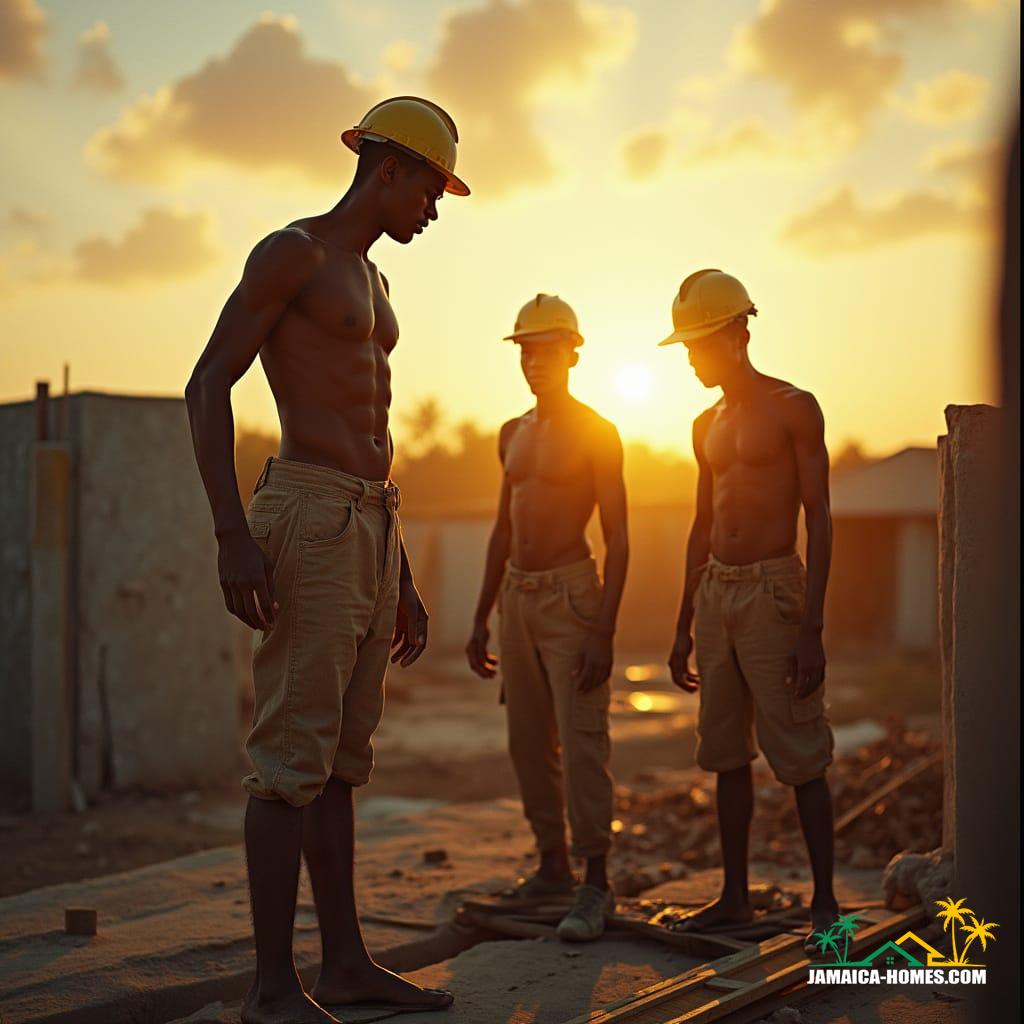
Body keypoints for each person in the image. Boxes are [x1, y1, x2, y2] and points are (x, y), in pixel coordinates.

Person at [185, 97, 469, 1024]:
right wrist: (233, 530)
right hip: (304, 512)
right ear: (387, 170)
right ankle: (273, 991)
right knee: (288, 762)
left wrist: (406, 572)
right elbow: (207, 385)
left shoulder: (378, 287)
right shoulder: (294, 253)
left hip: (369, 524)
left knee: (344, 761)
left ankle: (345, 964)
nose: (434, 209)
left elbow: (376, 432)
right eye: (431, 188)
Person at [661, 270, 838, 953]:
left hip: (772, 591)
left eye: (700, 344)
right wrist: (682, 622)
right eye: (686, 348)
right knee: (725, 751)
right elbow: (700, 523)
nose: (692, 359)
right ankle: (734, 898)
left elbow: (819, 517)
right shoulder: (705, 423)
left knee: (799, 750)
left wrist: (811, 629)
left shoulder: (795, 406)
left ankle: (826, 905)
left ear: (738, 332)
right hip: (717, 593)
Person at [466, 294, 629, 942]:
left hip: (570, 596)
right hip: (517, 598)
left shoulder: (598, 432)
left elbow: (619, 538)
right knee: (527, 741)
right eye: (526, 351)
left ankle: (596, 885)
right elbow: (502, 527)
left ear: (572, 353)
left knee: (581, 740)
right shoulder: (512, 432)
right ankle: (552, 866)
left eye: (547, 350)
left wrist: (603, 629)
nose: (535, 362)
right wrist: (480, 617)